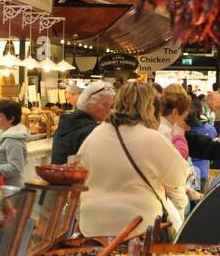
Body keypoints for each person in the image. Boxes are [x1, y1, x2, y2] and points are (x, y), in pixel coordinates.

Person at [74, 80, 190, 239]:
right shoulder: (152, 139)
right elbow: (178, 178)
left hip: (93, 228)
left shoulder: (94, 135)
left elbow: (76, 173)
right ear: (150, 107)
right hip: (139, 228)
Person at [51, 79, 112, 164]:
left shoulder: (66, 123)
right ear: (89, 104)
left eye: (110, 105)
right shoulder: (92, 131)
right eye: (105, 104)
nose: (109, 110)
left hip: (58, 176)